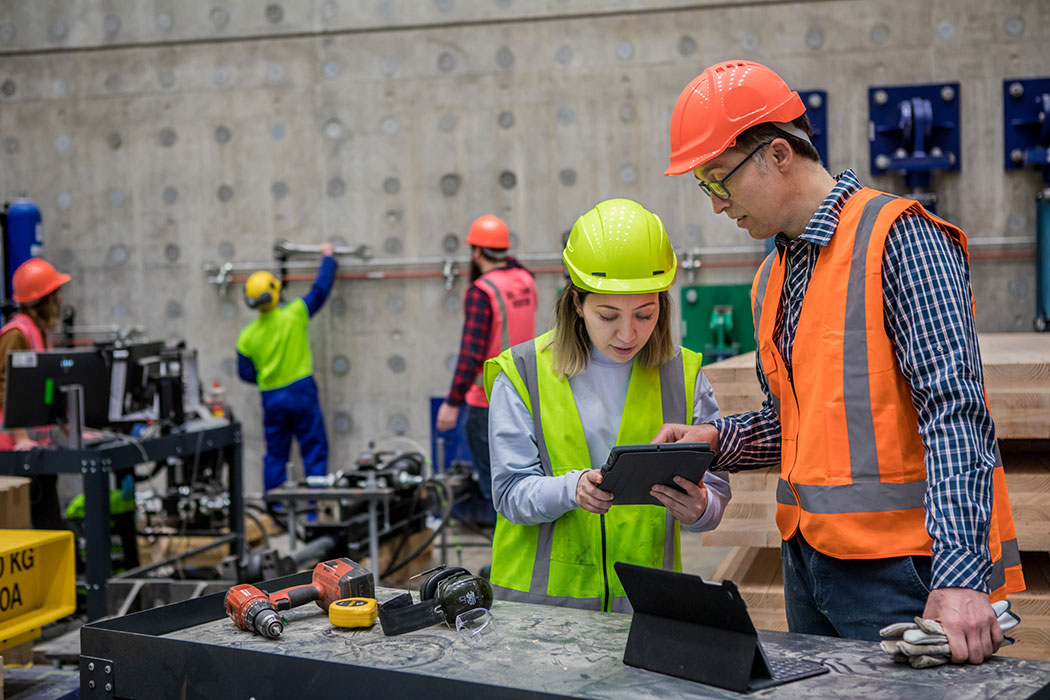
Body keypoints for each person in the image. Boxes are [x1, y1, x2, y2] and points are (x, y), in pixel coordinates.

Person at [658, 59, 1024, 662]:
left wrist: (959, 574)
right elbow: (803, 424)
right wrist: (715, 440)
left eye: (719, 180)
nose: (717, 205)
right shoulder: (772, 276)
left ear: (778, 155)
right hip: (809, 567)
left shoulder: (899, 237)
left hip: (906, 574)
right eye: (706, 187)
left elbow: (954, 412)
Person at [482, 198, 732, 612]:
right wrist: (571, 488)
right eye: (608, 315)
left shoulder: (682, 374)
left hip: (643, 608)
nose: (628, 334)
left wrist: (702, 509)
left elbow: (717, 489)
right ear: (577, 303)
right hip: (540, 618)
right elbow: (509, 493)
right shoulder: (523, 373)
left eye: (645, 314)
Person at [436, 215, 538, 518]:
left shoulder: (483, 291)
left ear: (476, 252)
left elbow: (470, 353)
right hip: (527, 396)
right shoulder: (525, 280)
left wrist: (452, 402)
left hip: (487, 404)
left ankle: (503, 565)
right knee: (524, 484)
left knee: (498, 491)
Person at [236, 244, 337, 493]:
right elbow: (320, 290)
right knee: (313, 448)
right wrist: (328, 259)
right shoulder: (294, 315)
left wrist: (268, 375)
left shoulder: (247, 337)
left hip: (271, 397)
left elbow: (245, 373)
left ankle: (276, 509)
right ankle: (315, 508)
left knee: (276, 454)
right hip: (302, 391)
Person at [0, 257, 71, 528]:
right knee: (39, 524)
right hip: (14, 451)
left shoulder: (37, 332)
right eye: (56, 293)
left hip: (37, 446)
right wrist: (20, 437)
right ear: (44, 299)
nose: (61, 298)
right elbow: (5, 387)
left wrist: (70, 429)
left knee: (49, 523)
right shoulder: (16, 334)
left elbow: (47, 387)